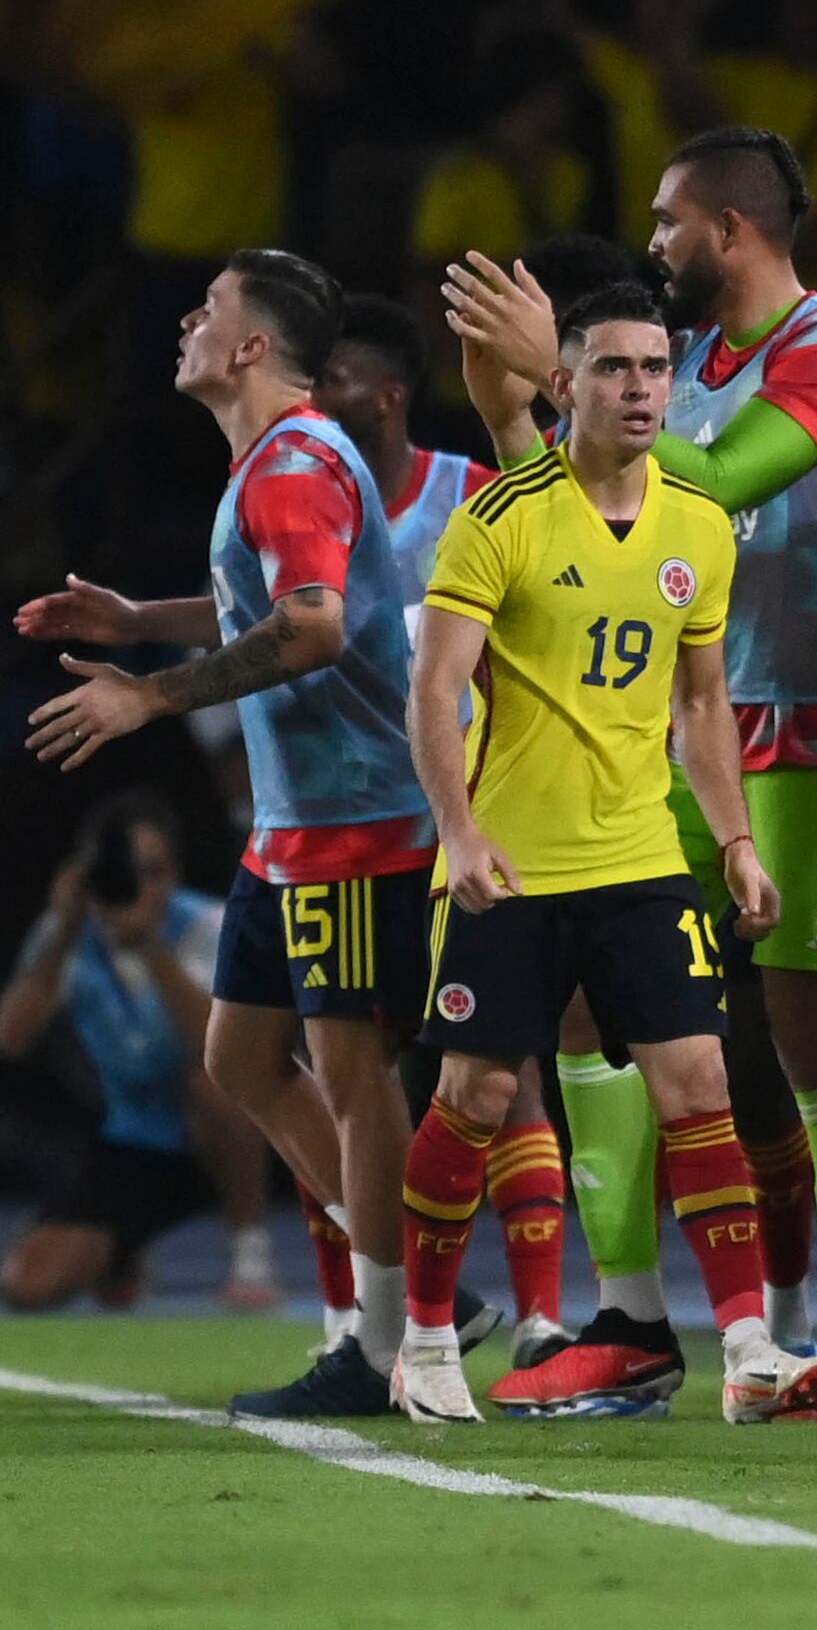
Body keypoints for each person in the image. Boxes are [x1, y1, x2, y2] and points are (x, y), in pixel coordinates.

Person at [447, 127, 817, 1418]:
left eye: (666, 223)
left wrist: (568, 376)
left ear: (730, 229)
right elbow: (582, 500)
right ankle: (633, 1323)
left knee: (807, 1037)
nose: (652, 246)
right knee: (605, 1008)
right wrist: (519, 394)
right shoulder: (682, 363)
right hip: (674, 730)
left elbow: (724, 475)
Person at [20, 248, 468, 1417]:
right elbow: (288, 601)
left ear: (255, 346)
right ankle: (416, 1285)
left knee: (353, 1073)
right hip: (297, 827)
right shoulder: (285, 460)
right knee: (240, 1062)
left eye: (210, 307)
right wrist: (140, 620)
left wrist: (150, 693)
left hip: (358, 822)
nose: (188, 319)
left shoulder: (293, 465)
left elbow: (314, 629)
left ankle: (387, 1339)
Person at [390, 282, 817, 1426]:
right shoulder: (502, 516)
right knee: (478, 1093)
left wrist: (735, 840)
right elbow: (436, 688)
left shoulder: (695, 524)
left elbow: (701, 703)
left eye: (654, 369)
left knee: (699, 1083)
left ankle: (747, 1347)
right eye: (613, 368)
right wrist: (458, 829)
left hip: (640, 853)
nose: (639, 389)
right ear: (565, 384)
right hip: (513, 860)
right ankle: (427, 1339)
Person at [316, 294, 571, 1372]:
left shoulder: (475, 493)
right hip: (348, 823)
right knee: (340, 1068)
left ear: (384, 393)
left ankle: (545, 1311)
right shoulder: (306, 502)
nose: (310, 405)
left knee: (501, 1066)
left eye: (328, 384)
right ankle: (352, 1316)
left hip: (468, 824)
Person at [0, 795, 259, 1311]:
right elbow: (10, 1037)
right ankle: (121, 1255)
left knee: (210, 1082)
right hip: (133, 1140)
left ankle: (251, 1253)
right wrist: (67, 928)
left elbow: (230, 1051)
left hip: (222, 1136)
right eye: (124, 872)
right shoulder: (68, 935)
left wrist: (150, 948)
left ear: (175, 874)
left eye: (154, 871)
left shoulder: (208, 924)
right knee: (28, 1286)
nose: (139, 887)